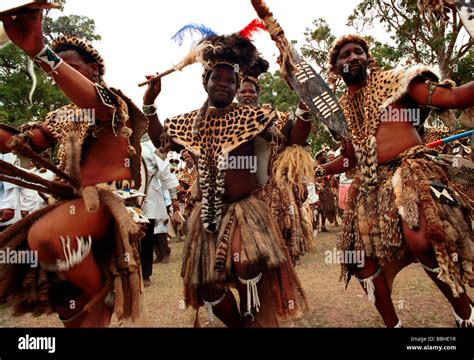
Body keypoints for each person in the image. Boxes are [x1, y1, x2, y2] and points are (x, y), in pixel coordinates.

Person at [144, 33, 310, 327]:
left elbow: (292, 140)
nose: (223, 83)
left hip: (247, 209)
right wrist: (150, 104)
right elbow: (161, 139)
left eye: (229, 80)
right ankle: (239, 324)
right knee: (206, 284)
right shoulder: (190, 121)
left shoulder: (251, 117)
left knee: (246, 262)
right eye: (216, 78)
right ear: (205, 81)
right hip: (208, 213)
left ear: (236, 86)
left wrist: (304, 109)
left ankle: (251, 312)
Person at [0, 10, 147, 327]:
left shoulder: (111, 101)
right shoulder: (60, 116)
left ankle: (104, 292)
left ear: (93, 70)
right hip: (67, 209)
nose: (58, 76)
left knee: (45, 236)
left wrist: (41, 52)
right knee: (74, 311)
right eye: (55, 70)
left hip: (110, 206)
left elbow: (94, 104)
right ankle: (93, 301)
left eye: (70, 68)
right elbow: (22, 143)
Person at [319, 34, 474, 327]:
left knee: (422, 238)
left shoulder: (398, 82)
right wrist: (323, 169)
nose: (352, 57)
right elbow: (350, 159)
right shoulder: (339, 112)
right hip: (370, 186)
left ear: (367, 58)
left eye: (358, 52)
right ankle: (394, 326)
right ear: (336, 67)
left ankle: (464, 312)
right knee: (359, 261)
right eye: (345, 55)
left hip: (411, 170)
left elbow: (453, 98)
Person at [236, 69, 315, 264]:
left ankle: (284, 289)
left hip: (274, 195)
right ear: (236, 94)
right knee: (248, 257)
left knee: (282, 252)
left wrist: (304, 106)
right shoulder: (228, 121)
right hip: (240, 198)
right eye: (243, 91)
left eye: (251, 91)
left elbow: (296, 139)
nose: (247, 95)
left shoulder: (278, 118)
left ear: (258, 94)